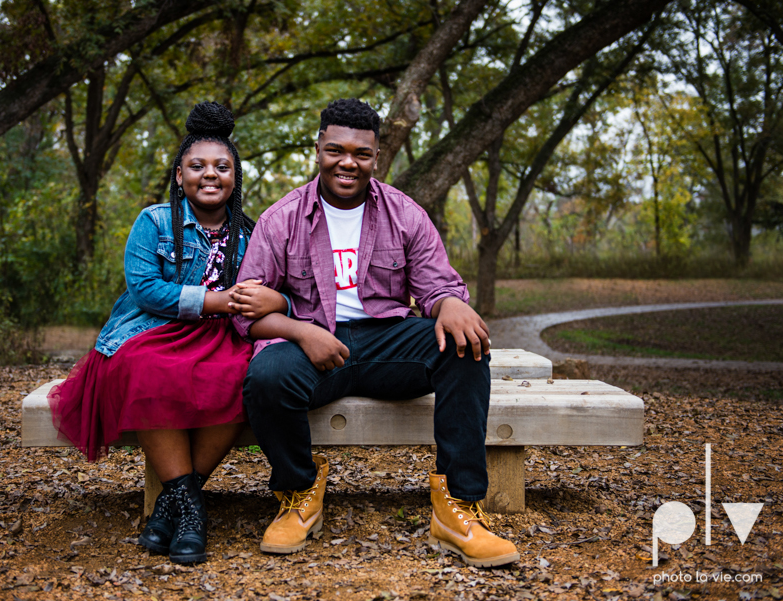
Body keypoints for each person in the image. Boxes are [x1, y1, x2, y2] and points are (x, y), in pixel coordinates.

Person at [231, 98, 519, 567]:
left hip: (389, 341)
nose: (348, 162)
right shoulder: (280, 218)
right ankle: (299, 491)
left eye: (361, 153)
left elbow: (437, 285)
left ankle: (457, 507)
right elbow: (245, 313)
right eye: (336, 150)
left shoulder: (405, 214)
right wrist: (304, 333)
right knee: (266, 377)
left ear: (376, 157)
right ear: (318, 149)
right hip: (315, 344)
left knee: (465, 348)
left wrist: (450, 305)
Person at [48, 102, 287, 564]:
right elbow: (144, 289)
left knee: (245, 374)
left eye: (223, 167)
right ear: (180, 176)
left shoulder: (251, 233)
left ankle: (174, 502)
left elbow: (273, 286)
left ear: (236, 178)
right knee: (149, 369)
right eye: (197, 166)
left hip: (221, 336)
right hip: (154, 330)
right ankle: (191, 506)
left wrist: (271, 301)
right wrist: (216, 299)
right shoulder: (154, 221)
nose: (210, 175)